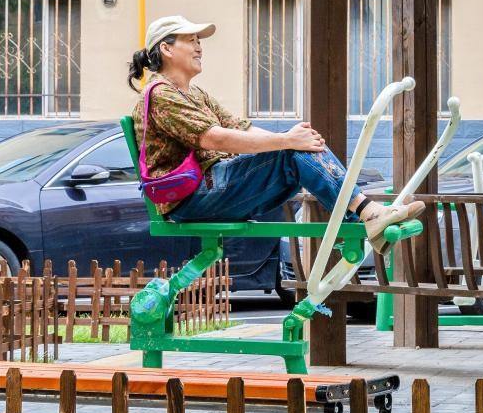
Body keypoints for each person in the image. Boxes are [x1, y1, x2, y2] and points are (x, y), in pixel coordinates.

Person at [128, 16, 424, 251]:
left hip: (210, 187)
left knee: (300, 146)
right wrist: (287, 141)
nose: (199, 47)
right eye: (191, 40)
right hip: (191, 198)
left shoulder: (195, 94)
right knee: (293, 151)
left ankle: (364, 215)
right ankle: (368, 213)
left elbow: (241, 128)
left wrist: (292, 137)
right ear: (166, 49)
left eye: (199, 41)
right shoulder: (162, 94)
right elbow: (215, 138)